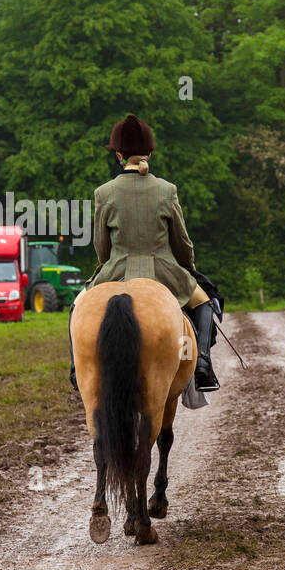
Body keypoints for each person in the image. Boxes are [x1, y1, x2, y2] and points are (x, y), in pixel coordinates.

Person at [80, 114, 219, 392]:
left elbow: (101, 247)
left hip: (116, 270)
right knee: (205, 303)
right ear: (149, 153)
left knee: (78, 307)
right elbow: (182, 242)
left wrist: (106, 266)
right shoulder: (167, 190)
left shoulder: (104, 192)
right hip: (165, 271)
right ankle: (202, 363)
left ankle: (76, 369)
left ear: (119, 155)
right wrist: (187, 266)